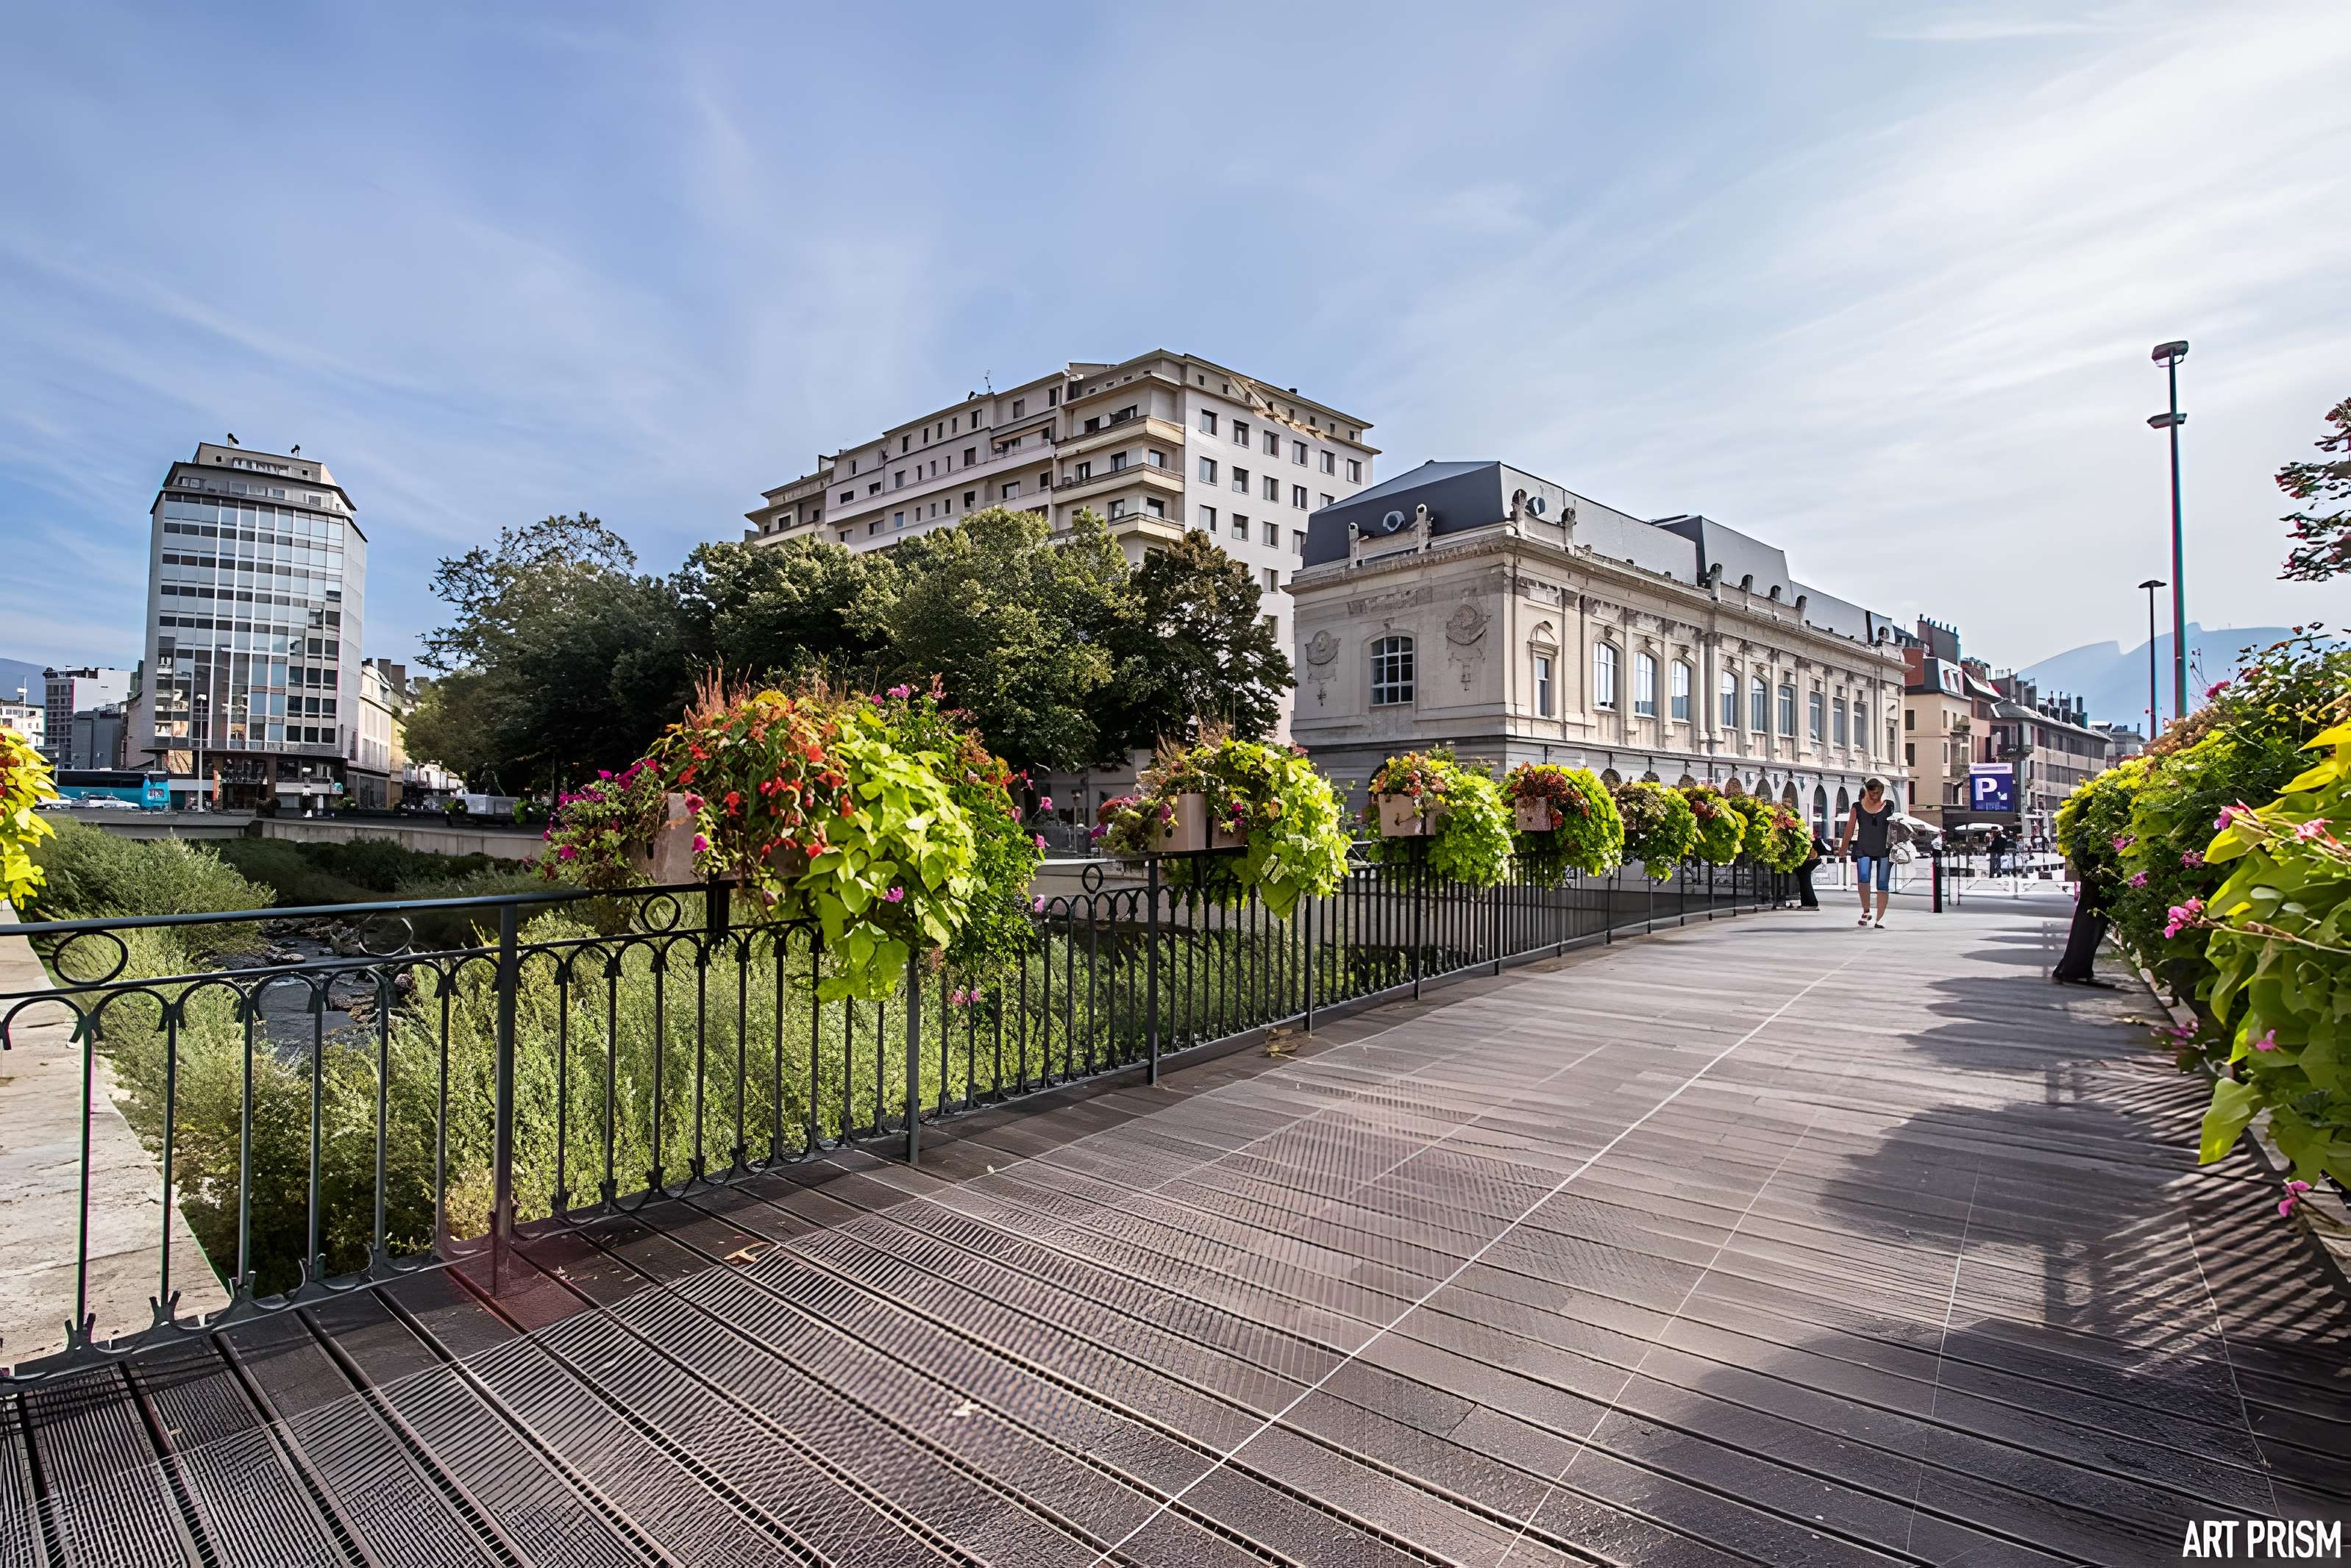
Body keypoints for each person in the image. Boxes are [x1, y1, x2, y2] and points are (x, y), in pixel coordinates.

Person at [1836, 777, 1896, 928]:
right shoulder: (1857, 806)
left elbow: (1896, 826)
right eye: (1873, 792)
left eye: (1879, 792)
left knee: (1883, 883)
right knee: (1863, 879)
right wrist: (1843, 848)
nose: (1876, 795)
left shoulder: (1889, 806)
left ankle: (1880, 918)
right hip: (1863, 847)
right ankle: (1866, 911)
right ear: (1867, 792)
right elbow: (1850, 828)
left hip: (1884, 848)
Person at [2051, 858, 2117, 986]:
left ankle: (2073, 968)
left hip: (2097, 866)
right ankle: (2074, 970)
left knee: (2093, 910)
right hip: (2100, 866)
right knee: (2093, 910)